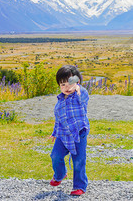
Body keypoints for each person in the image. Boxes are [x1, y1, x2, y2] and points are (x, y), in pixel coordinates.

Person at [49, 65, 89, 196]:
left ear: (77, 82)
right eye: (62, 84)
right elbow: (58, 119)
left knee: (78, 161)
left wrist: (78, 86)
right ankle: (60, 175)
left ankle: (79, 186)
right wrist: (55, 132)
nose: (66, 87)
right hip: (63, 135)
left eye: (69, 83)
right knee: (55, 156)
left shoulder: (80, 95)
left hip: (79, 134)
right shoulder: (60, 101)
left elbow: (83, 95)